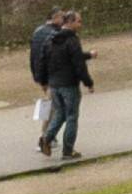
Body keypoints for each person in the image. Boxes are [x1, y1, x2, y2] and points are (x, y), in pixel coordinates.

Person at [35, 10, 91, 164]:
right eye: (78, 21)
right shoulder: (72, 41)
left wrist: (43, 80)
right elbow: (78, 64)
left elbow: (42, 60)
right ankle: (68, 150)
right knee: (72, 116)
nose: (81, 24)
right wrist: (88, 82)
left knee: (59, 113)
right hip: (69, 84)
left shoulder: (50, 39)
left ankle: (46, 138)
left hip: (55, 84)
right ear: (70, 22)